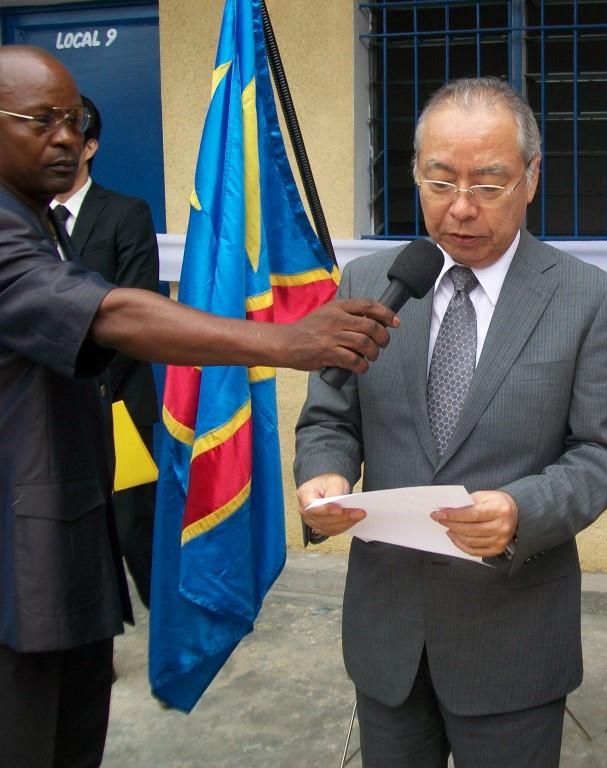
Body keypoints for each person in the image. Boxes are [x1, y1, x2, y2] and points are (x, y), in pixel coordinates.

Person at [0, 46, 397, 768]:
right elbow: (108, 315)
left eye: (73, 119)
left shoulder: (38, 219)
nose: (64, 136)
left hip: (68, 546)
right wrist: (286, 340)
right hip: (17, 574)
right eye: (39, 121)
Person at [294, 76, 607, 767]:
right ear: (415, 173)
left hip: (511, 635)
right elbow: (330, 416)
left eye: (489, 184)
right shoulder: (370, 283)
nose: (461, 209)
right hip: (387, 632)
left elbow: (603, 455)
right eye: (440, 181)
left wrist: (520, 509)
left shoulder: (588, 298)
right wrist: (323, 475)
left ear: (532, 179)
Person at [51, 94, 161, 609]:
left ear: (90, 147)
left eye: (69, 139)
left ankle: (168, 637)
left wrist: (93, 384)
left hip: (117, 403)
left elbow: (137, 311)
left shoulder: (124, 214)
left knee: (134, 527)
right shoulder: (24, 220)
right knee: (69, 536)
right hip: (46, 410)